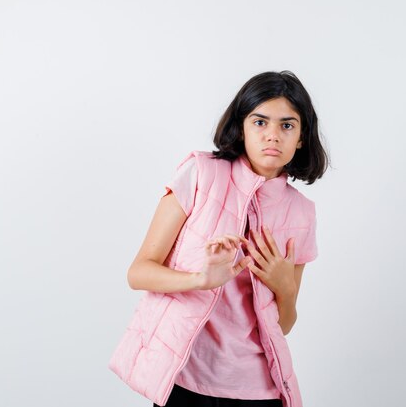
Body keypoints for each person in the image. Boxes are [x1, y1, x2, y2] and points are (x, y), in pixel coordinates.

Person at [109, 70, 328, 407]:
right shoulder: (200, 173)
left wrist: (285, 287)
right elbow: (138, 273)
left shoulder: (301, 212)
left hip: (259, 389)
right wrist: (201, 279)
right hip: (185, 379)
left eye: (287, 125)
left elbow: (282, 326)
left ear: (301, 137)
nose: (273, 135)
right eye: (260, 122)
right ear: (241, 127)